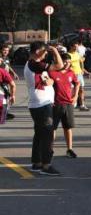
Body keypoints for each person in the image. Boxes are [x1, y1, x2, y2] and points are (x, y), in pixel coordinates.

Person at [25, 41, 65, 175]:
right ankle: (46, 165)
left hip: (38, 103)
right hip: (41, 104)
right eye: (44, 51)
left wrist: (50, 81)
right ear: (37, 52)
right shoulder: (34, 64)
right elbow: (60, 65)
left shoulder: (33, 65)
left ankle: (37, 162)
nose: (46, 53)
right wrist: (54, 50)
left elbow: (49, 80)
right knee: (47, 134)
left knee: (39, 134)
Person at [49, 50, 79, 159]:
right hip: (56, 104)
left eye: (69, 62)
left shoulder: (71, 72)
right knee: (53, 128)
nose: (67, 64)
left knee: (68, 127)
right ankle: (50, 149)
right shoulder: (52, 72)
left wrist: (75, 96)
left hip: (68, 104)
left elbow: (77, 84)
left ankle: (69, 149)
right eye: (65, 61)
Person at [67, 39, 91, 111]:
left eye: (77, 47)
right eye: (75, 47)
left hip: (79, 74)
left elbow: (81, 64)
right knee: (71, 91)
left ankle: (82, 105)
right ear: (71, 47)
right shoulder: (68, 55)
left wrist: (86, 72)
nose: (76, 48)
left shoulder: (77, 54)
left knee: (81, 90)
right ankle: (71, 105)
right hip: (71, 75)